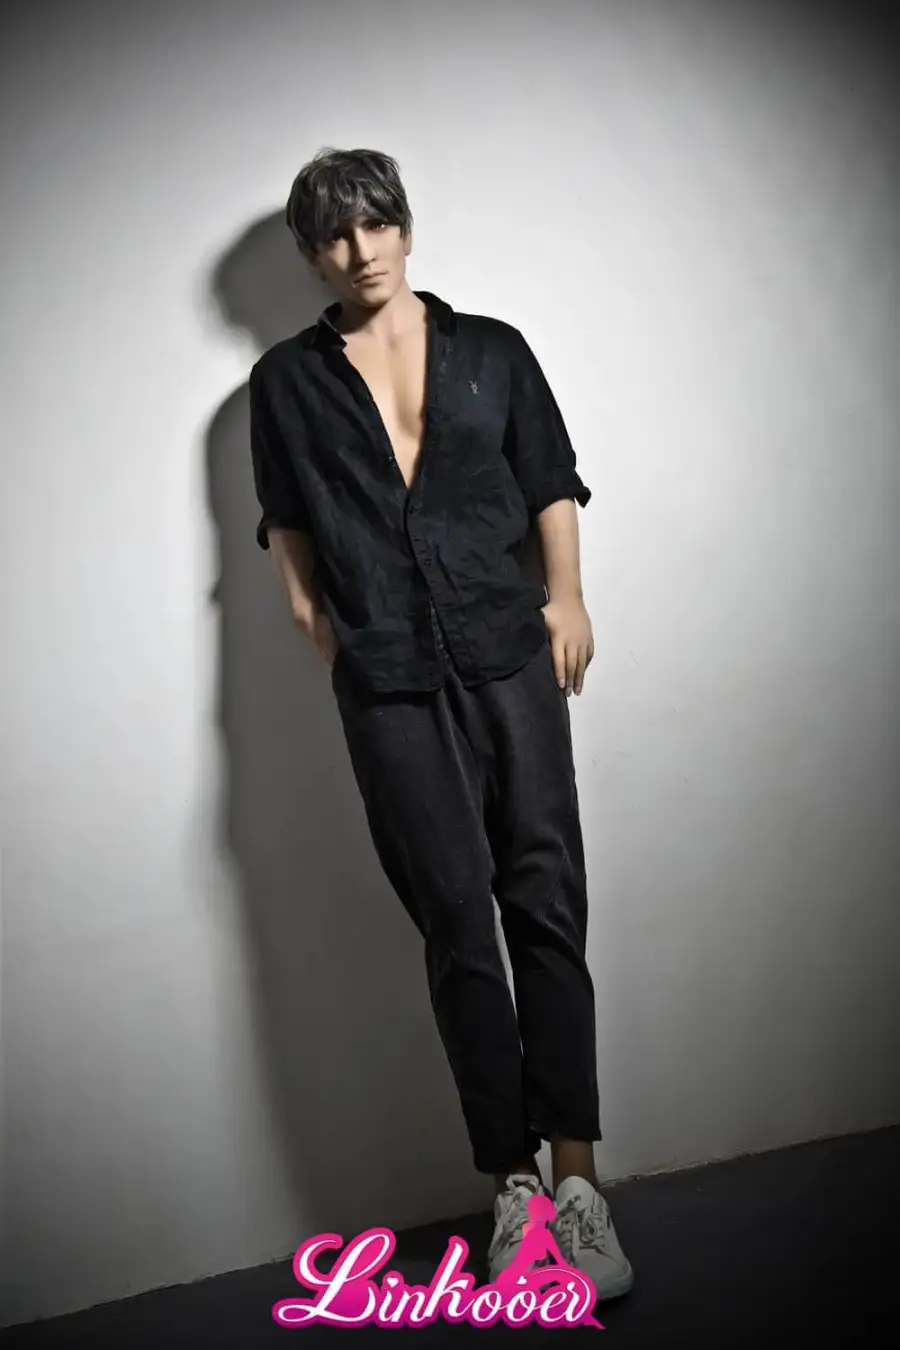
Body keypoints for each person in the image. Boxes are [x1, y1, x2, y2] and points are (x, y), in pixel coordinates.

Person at [248, 146, 633, 1300]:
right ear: (312, 254)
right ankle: (514, 1185)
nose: (359, 250)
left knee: (545, 901)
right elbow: (288, 528)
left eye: (375, 224)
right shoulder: (285, 383)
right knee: (458, 923)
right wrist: (328, 636)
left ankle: (581, 1182)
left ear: (405, 228)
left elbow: (549, 477)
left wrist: (568, 597)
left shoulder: (495, 350)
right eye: (334, 235)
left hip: (510, 652)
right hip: (390, 683)